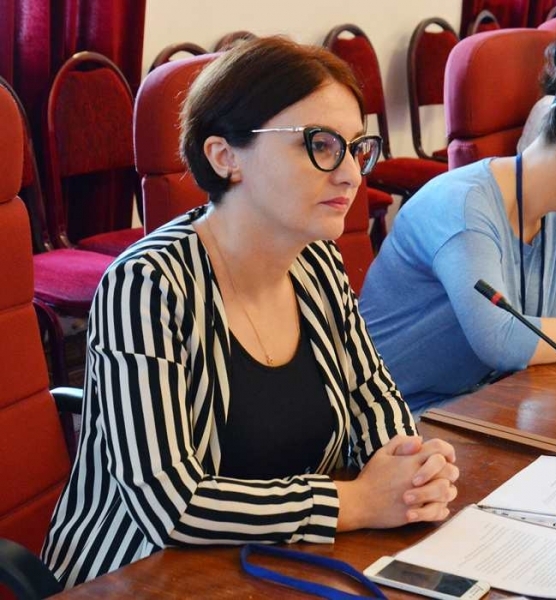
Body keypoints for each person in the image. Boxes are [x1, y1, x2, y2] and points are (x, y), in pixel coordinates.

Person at [42, 37, 458, 587]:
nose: (351, 175)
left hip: (268, 564)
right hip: (139, 576)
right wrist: (355, 502)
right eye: (320, 145)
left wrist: (410, 468)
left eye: (356, 148)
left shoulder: (316, 262)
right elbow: (170, 504)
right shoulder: (146, 285)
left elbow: (371, 395)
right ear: (225, 156)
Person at [359, 36, 556, 413]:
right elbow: (500, 340)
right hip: (397, 417)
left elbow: (554, 345)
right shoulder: (465, 206)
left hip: (480, 405)